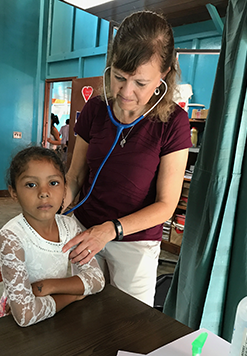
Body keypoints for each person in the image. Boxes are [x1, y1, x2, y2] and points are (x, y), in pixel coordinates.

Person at [62, 10, 192, 306]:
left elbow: (166, 206)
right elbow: (75, 176)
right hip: (84, 231)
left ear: (164, 76)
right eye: (119, 77)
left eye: (141, 83)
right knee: (77, 315)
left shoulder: (174, 122)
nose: (126, 92)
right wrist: (54, 204)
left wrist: (110, 230)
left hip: (135, 243)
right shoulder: (96, 109)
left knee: (127, 326)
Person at [0, 146, 105, 327]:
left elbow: (97, 280)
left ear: (64, 187)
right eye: (31, 184)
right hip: (14, 329)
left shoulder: (69, 227)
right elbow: (25, 315)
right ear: (14, 192)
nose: (44, 192)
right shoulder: (11, 237)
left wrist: (49, 286)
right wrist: (74, 294)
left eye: (53, 183)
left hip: (53, 319)